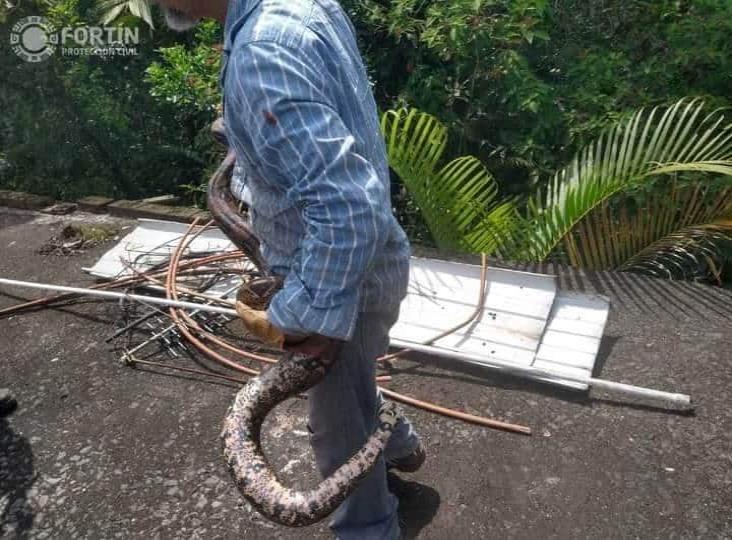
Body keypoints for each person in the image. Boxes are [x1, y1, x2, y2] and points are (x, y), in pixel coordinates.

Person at [153, 1, 424, 538]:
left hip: (342, 283)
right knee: (353, 386)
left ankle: (370, 528)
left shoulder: (261, 53)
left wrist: (311, 318)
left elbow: (347, 206)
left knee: (335, 426)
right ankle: (401, 443)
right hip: (364, 266)